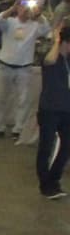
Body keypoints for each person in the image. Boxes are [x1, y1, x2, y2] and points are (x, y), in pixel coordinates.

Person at [0, 0, 47, 141]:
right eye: (22, 6)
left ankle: (18, 128)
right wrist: (12, 8)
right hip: (5, 65)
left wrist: (38, 13)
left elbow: (46, 29)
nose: (25, 9)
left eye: (27, 7)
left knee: (23, 100)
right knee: (0, 98)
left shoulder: (35, 25)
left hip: (24, 67)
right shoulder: (9, 22)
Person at [37, 21, 70, 200]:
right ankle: (45, 184)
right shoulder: (52, 57)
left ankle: (54, 180)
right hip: (49, 109)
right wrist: (57, 40)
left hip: (66, 109)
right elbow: (49, 60)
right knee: (46, 147)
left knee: (66, 146)